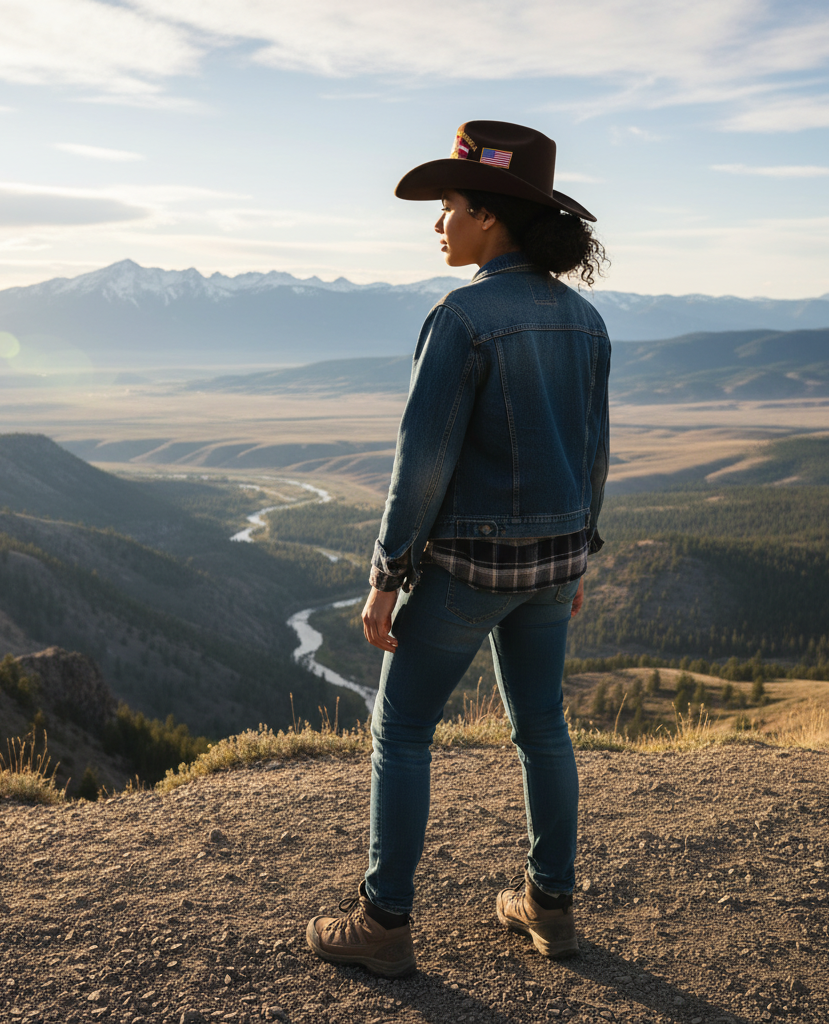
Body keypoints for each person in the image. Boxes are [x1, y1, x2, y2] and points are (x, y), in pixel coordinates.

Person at [305, 121, 610, 976]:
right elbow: (594, 453)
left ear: (490, 216)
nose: (437, 224)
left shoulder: (462, 317)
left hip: (470, 566)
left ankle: (383, 924)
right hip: (553, 565)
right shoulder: (586, 320)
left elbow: (423, 462)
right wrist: (578, 555)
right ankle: (550, 907)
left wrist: (386, 573)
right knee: (542, 727)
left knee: (402, 729)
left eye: (448, 206)